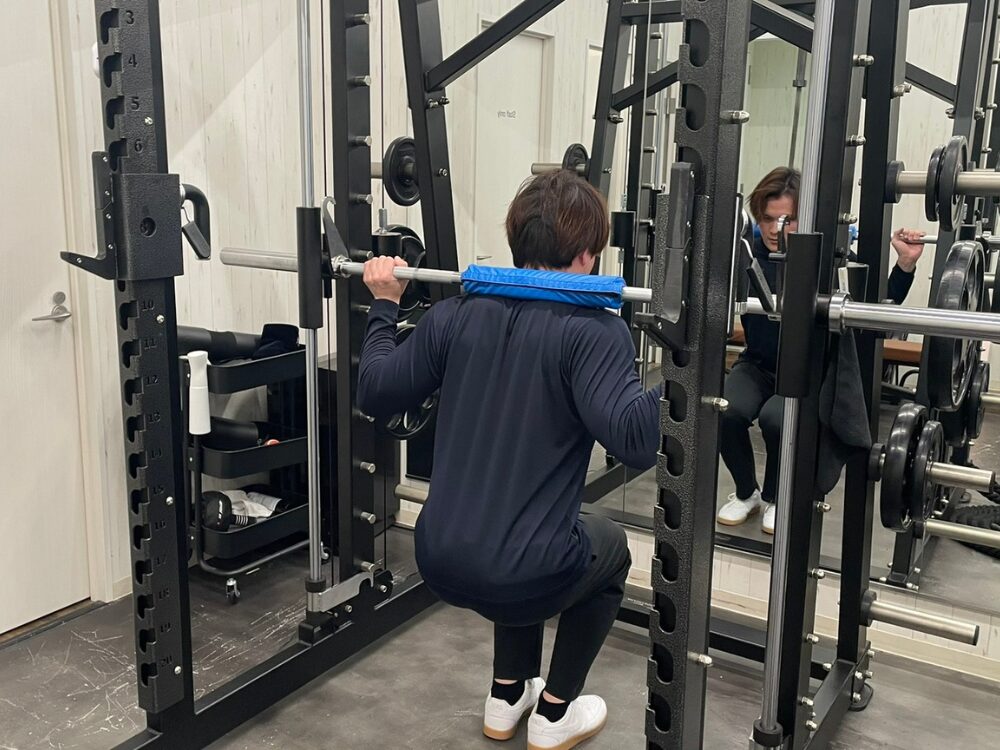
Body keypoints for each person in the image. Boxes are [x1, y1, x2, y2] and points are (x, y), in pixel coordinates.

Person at [357, 169, 661, 750]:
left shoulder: (453, 315)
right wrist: (688, 365)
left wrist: (383, 304)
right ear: (587, 254)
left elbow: (373, 389)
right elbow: (636, 442)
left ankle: (506, 694)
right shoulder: (596, 332)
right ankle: (554, 712)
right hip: (526, 573)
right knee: (611, 550)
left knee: (526, 529)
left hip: (436, 558)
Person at [716, 166, 926, 534]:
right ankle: (747, 492)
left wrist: (905, 264)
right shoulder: (745, 256)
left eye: (787, 220)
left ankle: (776, 496)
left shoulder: (828, 259)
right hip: (758, 364)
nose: (775, 229)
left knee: (777, 419)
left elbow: (875, 309)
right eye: (767, 219)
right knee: (724, 410)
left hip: (807, 370)